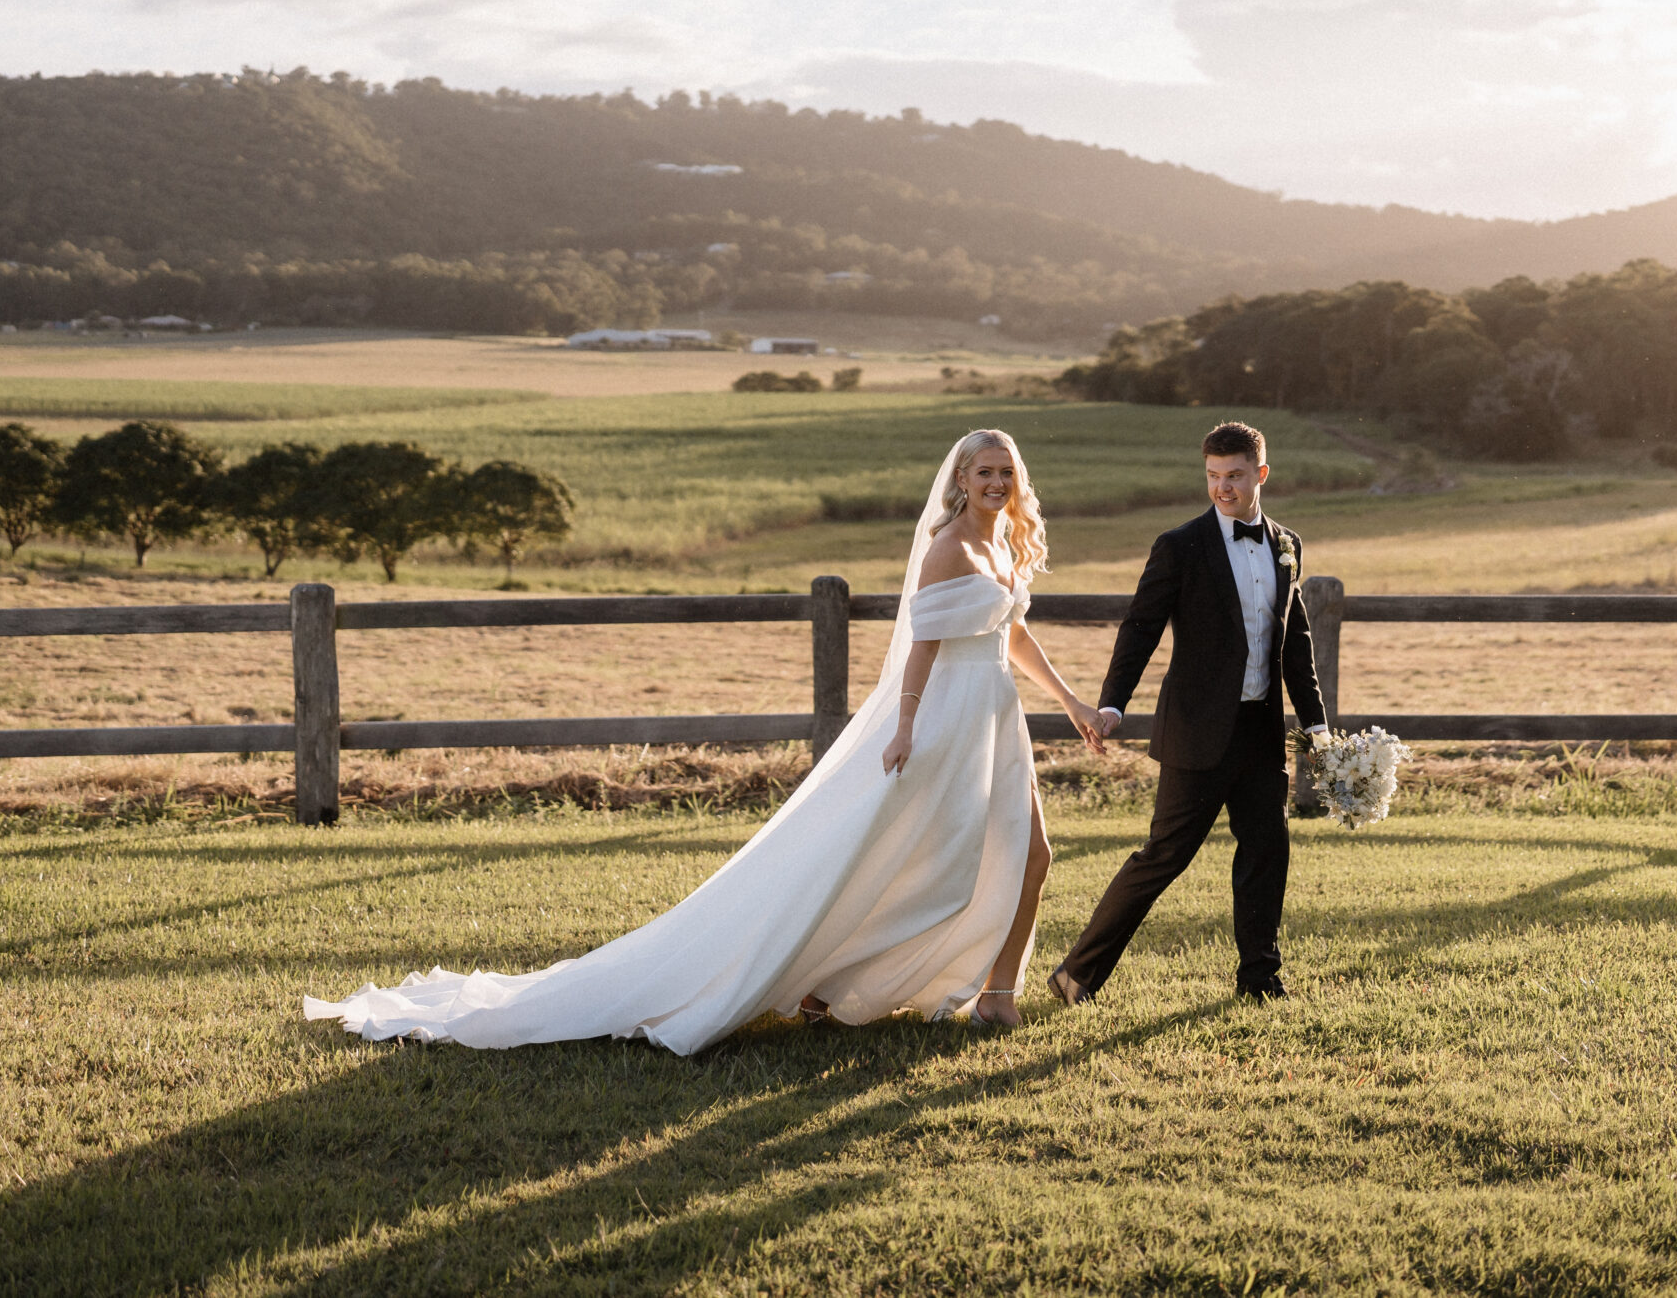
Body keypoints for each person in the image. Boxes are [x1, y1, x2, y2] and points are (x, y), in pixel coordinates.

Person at [303, 429, 1106, 1053]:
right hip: (946, 718)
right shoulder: (948, 547)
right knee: (911, 857)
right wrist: (902, 730)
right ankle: (837, 980)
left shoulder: (1003, 543)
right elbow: (922, 648)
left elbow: (1013, 631)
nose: (996, 483)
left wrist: (1069, 700)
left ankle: (996, 992)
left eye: (1006, 472)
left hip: (996, 711)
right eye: (983, 472)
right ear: (961, 480)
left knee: (1027, 850)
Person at [1047, 421, 1330, 1007]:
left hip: (1260, 731)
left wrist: (1318, 725)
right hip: (1196, 732)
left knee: (1267, 852)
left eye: (1234, 476)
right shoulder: (1180, 545)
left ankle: (1260, 978)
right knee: (1163, 858)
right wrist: (1112, 705)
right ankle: (1076, 974)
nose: (1223, 488)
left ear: (1261, 474)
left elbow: (1295, 640)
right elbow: (1141, 627)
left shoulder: (1287, 544)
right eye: (1213, 477)